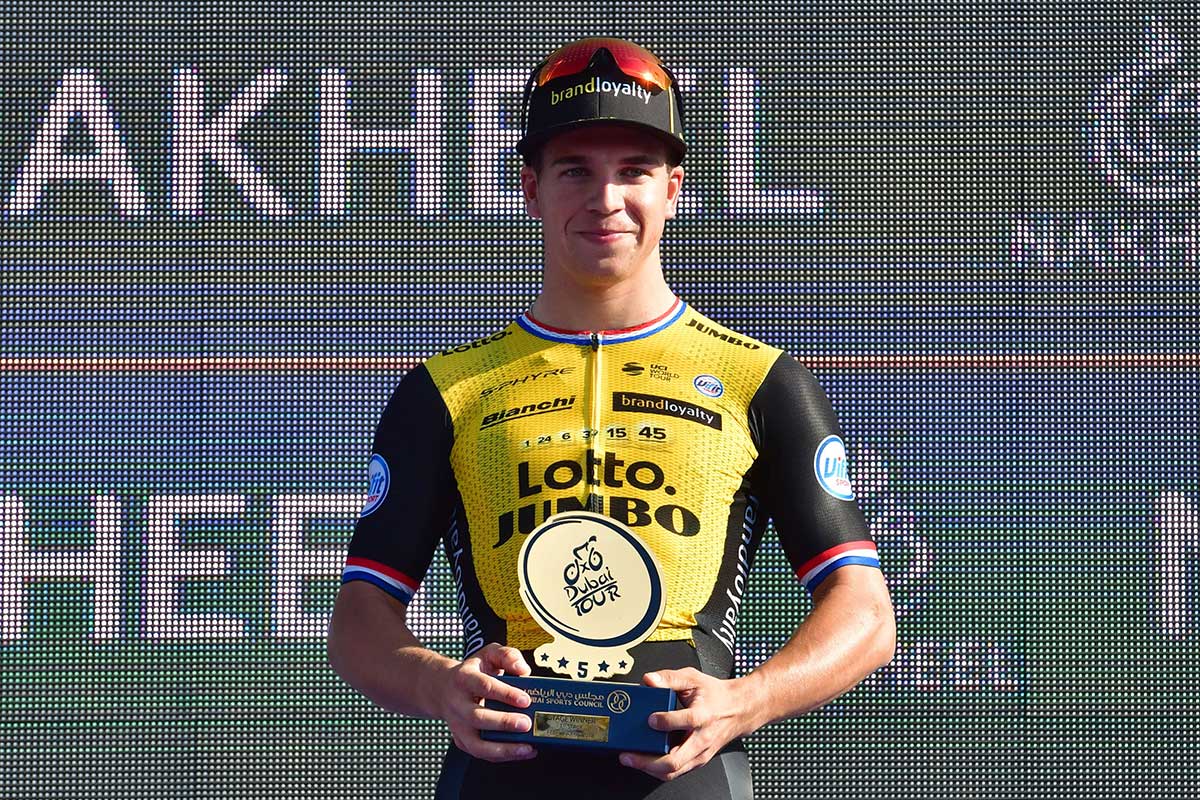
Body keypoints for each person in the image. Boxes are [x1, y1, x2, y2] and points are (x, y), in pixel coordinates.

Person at [327, 37, 896, 800]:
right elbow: (359, 623)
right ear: (531, 190)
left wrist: (743, 702)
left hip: (688, 780)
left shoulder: (756, 378)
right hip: (504, 778)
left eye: (634, 171)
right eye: (575, 172)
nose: (605, 200)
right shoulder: (449, 388)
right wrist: (441, 687)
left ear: (673, 188)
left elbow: (866, 613)